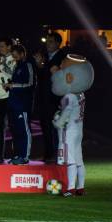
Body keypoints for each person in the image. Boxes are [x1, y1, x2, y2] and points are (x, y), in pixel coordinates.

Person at [52, 54, 95, 196]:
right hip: (79, 129)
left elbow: (68, 111)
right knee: (78, 160)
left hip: (69, 131)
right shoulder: (81, 94)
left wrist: (58, 121)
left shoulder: (69, 96)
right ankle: (80, 187)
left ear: (70, 77)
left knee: (69, 160)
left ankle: (70, 189)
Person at [33, 32, 69, 163]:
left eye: (51, 41)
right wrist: (39, 65)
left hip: (55, 98)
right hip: (43, 96)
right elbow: (42, 75)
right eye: (47, 41)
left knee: (55, 127)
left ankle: (57, 155)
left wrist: (42, 65)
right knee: (45, 126)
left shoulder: (62, 57)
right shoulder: (45, 57)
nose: (47, 44)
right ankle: (48, 154)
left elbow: (54, 74)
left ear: (58, 43)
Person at [3, 44, 35, 164]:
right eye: (14, 56)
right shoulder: (17, 66)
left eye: (16, 56)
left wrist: (13, 86)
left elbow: (30, 84)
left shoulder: (28, 65)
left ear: (22, 54)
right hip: (13, 104)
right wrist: (9, 85)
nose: (15, 58)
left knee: (24, 130)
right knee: (15, 131)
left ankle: (25, 156)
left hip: (23, 105)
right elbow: (17, 84)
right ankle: (17, 155)